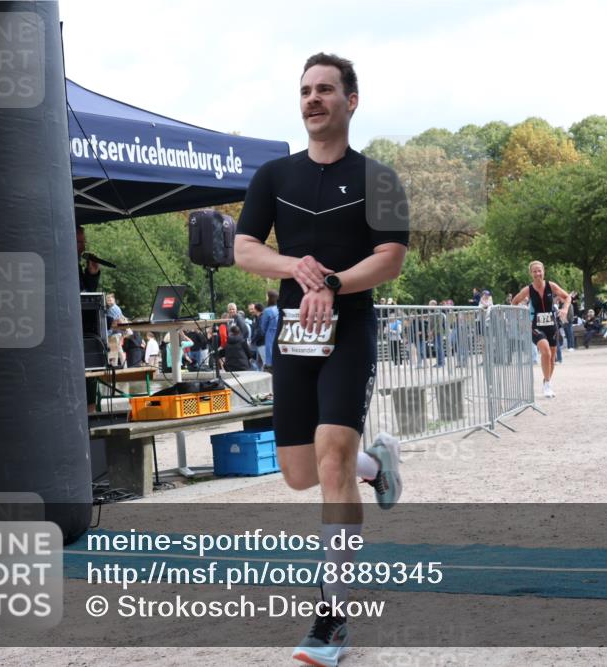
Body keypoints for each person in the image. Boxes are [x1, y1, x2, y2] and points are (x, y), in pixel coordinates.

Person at [233, 52, 409, 667]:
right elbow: (244, 250)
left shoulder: (378, 178)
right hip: (293, 337)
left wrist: (332, 284)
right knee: (300, 473)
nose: (313, 99)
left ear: (350, 101)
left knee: (329, 460)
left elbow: (390, 256)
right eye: (305, 90)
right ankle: (376, 463)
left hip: (349, 328)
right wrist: (292, 267)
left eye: (325, 90)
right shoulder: (274, 177)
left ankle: (331, 619)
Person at [511, 260, 570, 398]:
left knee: (552, 358)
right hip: (536, 326)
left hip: (552, 325)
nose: (537, 273)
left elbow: (567, 297)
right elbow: (514, 302)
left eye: (539, 271)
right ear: (531, 274)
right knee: (546, 352)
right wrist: (521, 319)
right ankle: (547, 386)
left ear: (543, 272)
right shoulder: (528, 290)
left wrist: (565, 309)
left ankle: (546, 382)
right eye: (534, 271)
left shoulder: (551, 285)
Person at [76, 225, 100, 292]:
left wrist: (92, 274)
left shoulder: (77, 267)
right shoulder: (59, 267)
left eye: (84, 242)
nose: (83, 246)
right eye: (79, 242)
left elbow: (87, 294)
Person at [261, 290, 280, 372]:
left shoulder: (267, 310)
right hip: (280, 334)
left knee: (270, 357)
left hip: (270, 335)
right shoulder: (280, 308)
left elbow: (263, 327)